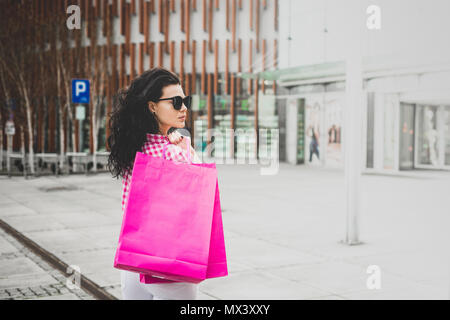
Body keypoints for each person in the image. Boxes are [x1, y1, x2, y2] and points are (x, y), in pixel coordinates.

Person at [107, 67, 201, 300]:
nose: (184, 108)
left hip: (134, 260)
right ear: (152, 106)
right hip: (170, 263)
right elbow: (200, 198)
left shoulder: (134, 148)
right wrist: (186, 150)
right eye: (176, 102)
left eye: (185, 100)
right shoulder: (176, 152)